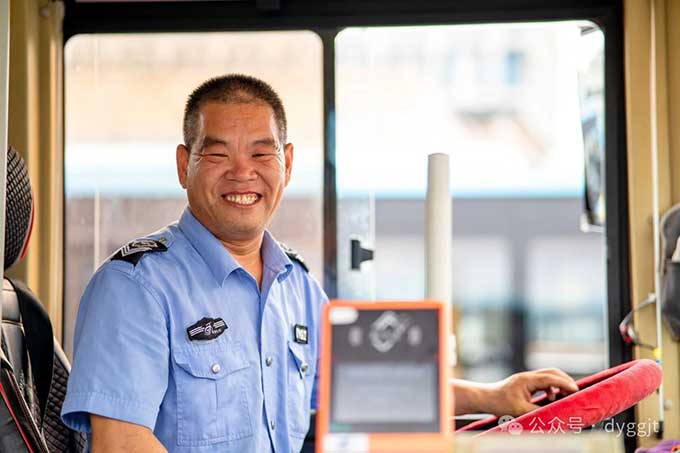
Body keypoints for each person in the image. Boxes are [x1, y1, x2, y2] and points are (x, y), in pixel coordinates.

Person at [61, 74, 578, 452]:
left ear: (287, 164)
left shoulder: (298, 287)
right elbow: (121, 443)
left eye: (261, 154)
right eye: (218, 154)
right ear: (184, 165)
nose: (242, 173)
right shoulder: (134, 288)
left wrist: (494, 396)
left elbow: (367, 394)